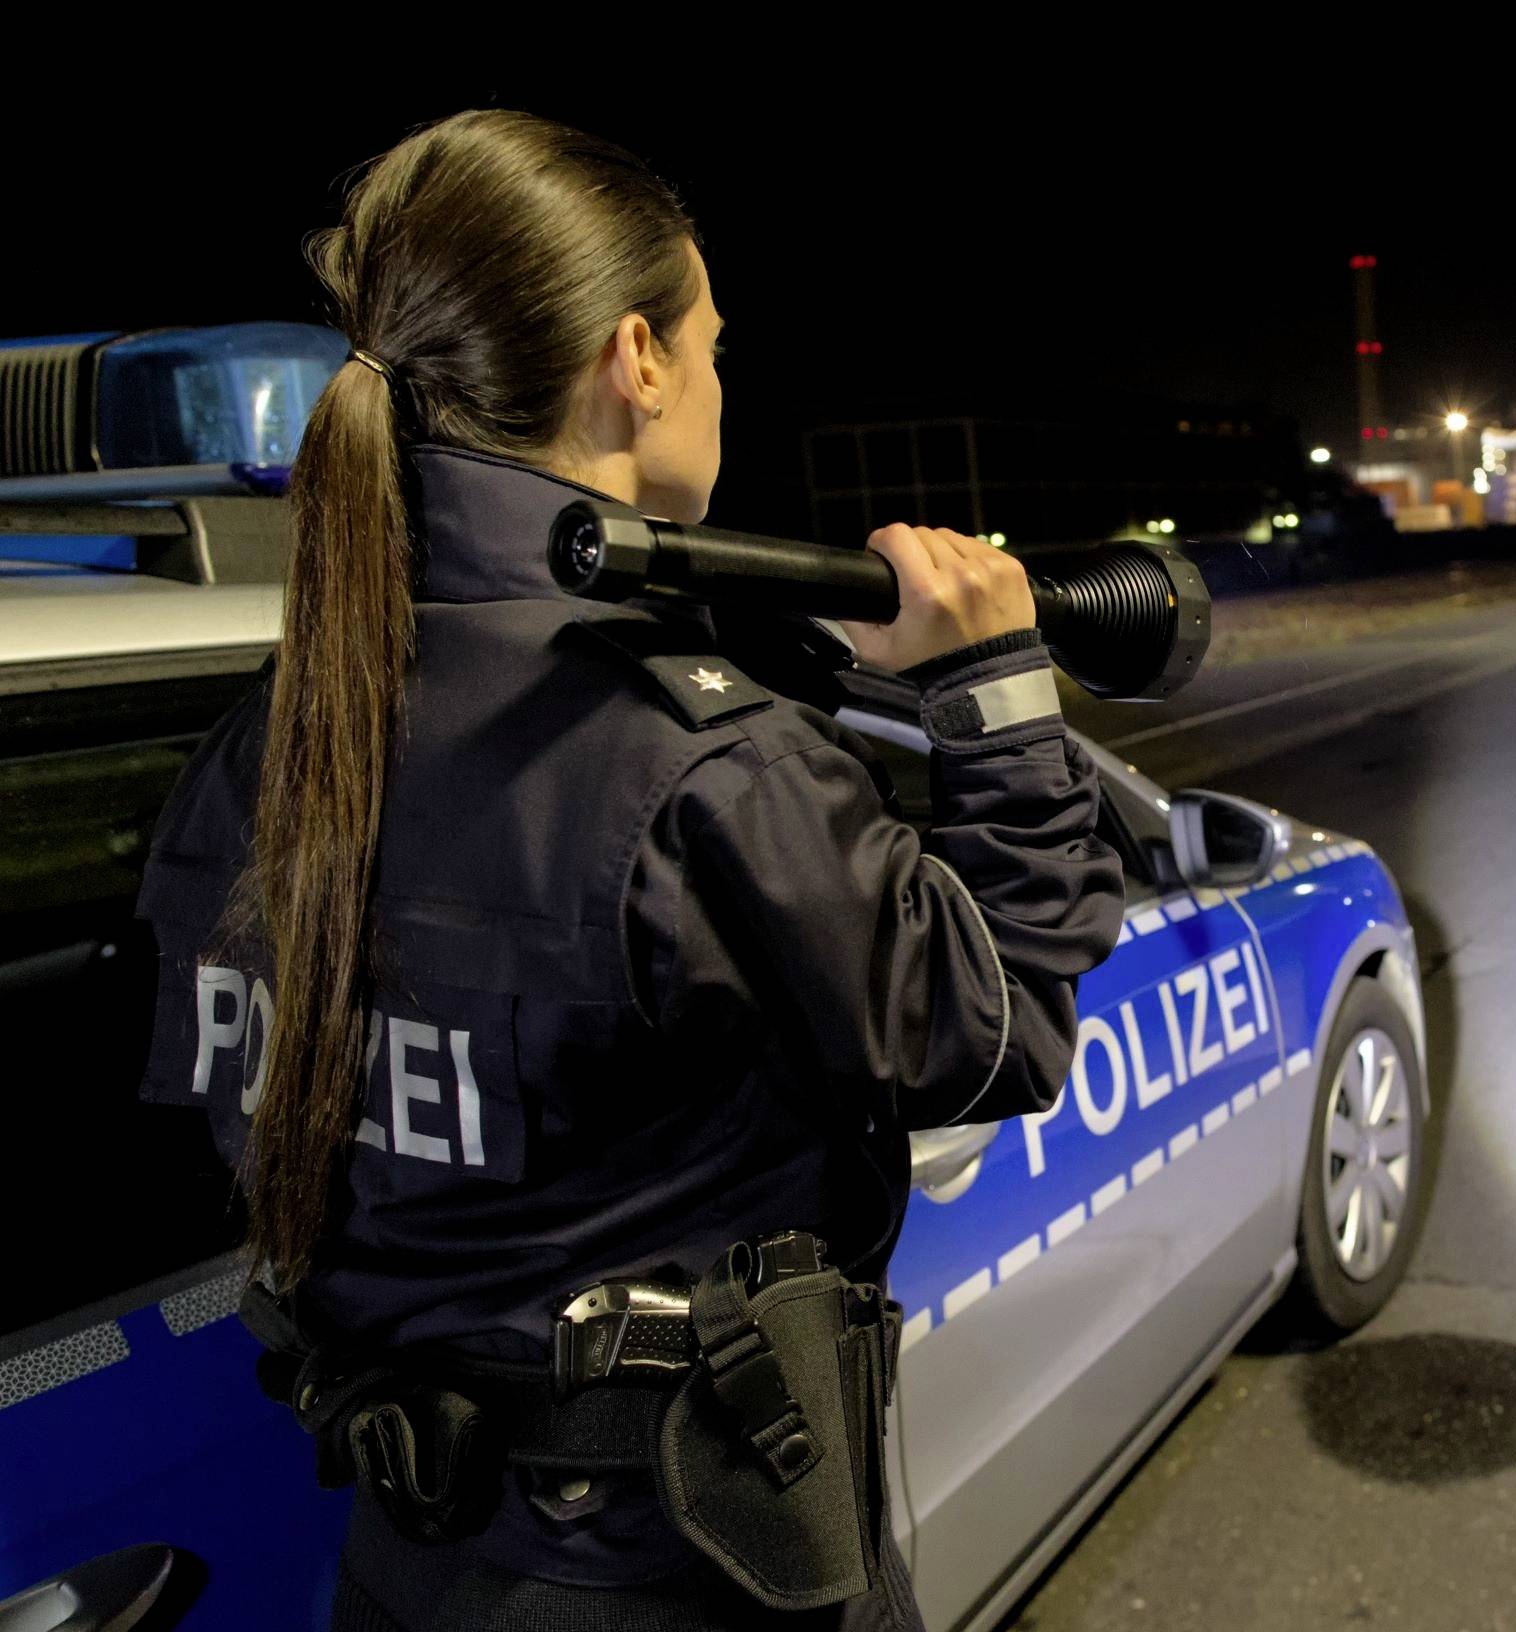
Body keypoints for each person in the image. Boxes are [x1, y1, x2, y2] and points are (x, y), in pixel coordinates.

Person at [133, 110, 1123, 1631]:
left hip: (407, 1572)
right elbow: (995, 1033)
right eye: (714, 345)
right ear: (635, 359)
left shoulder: (271, 735)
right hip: (691, 1572)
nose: (721, 383)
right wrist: (990, 694)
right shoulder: (690, 763)